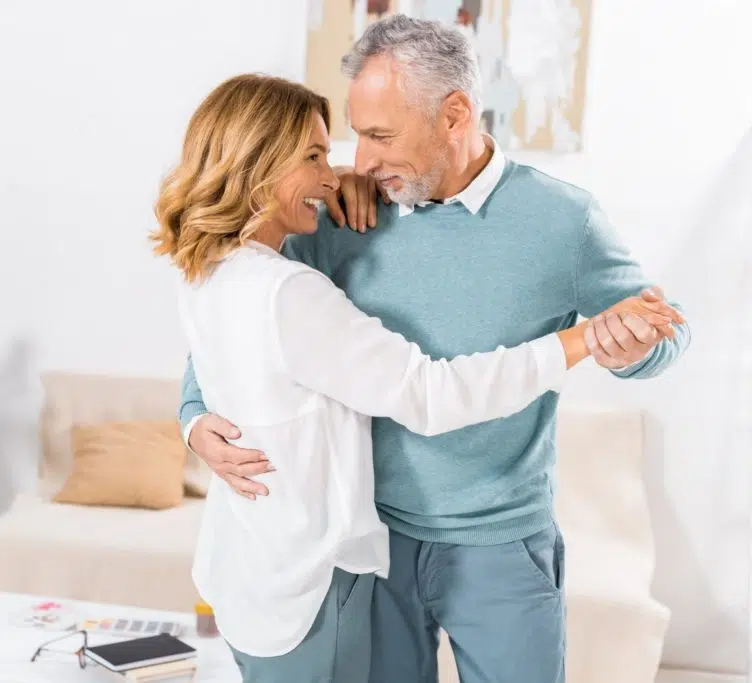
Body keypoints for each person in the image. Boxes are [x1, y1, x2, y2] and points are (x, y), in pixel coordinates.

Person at [180, 17, 691, 683]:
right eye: (353, 136)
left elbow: (664, 331)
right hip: (375, 546)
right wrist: (194, 420)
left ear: (453, 115)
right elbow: (234, 331)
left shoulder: (565, 221)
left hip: (500, 544)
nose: (356, 161)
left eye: (379, 136)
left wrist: (630, 348)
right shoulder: (339, 213)